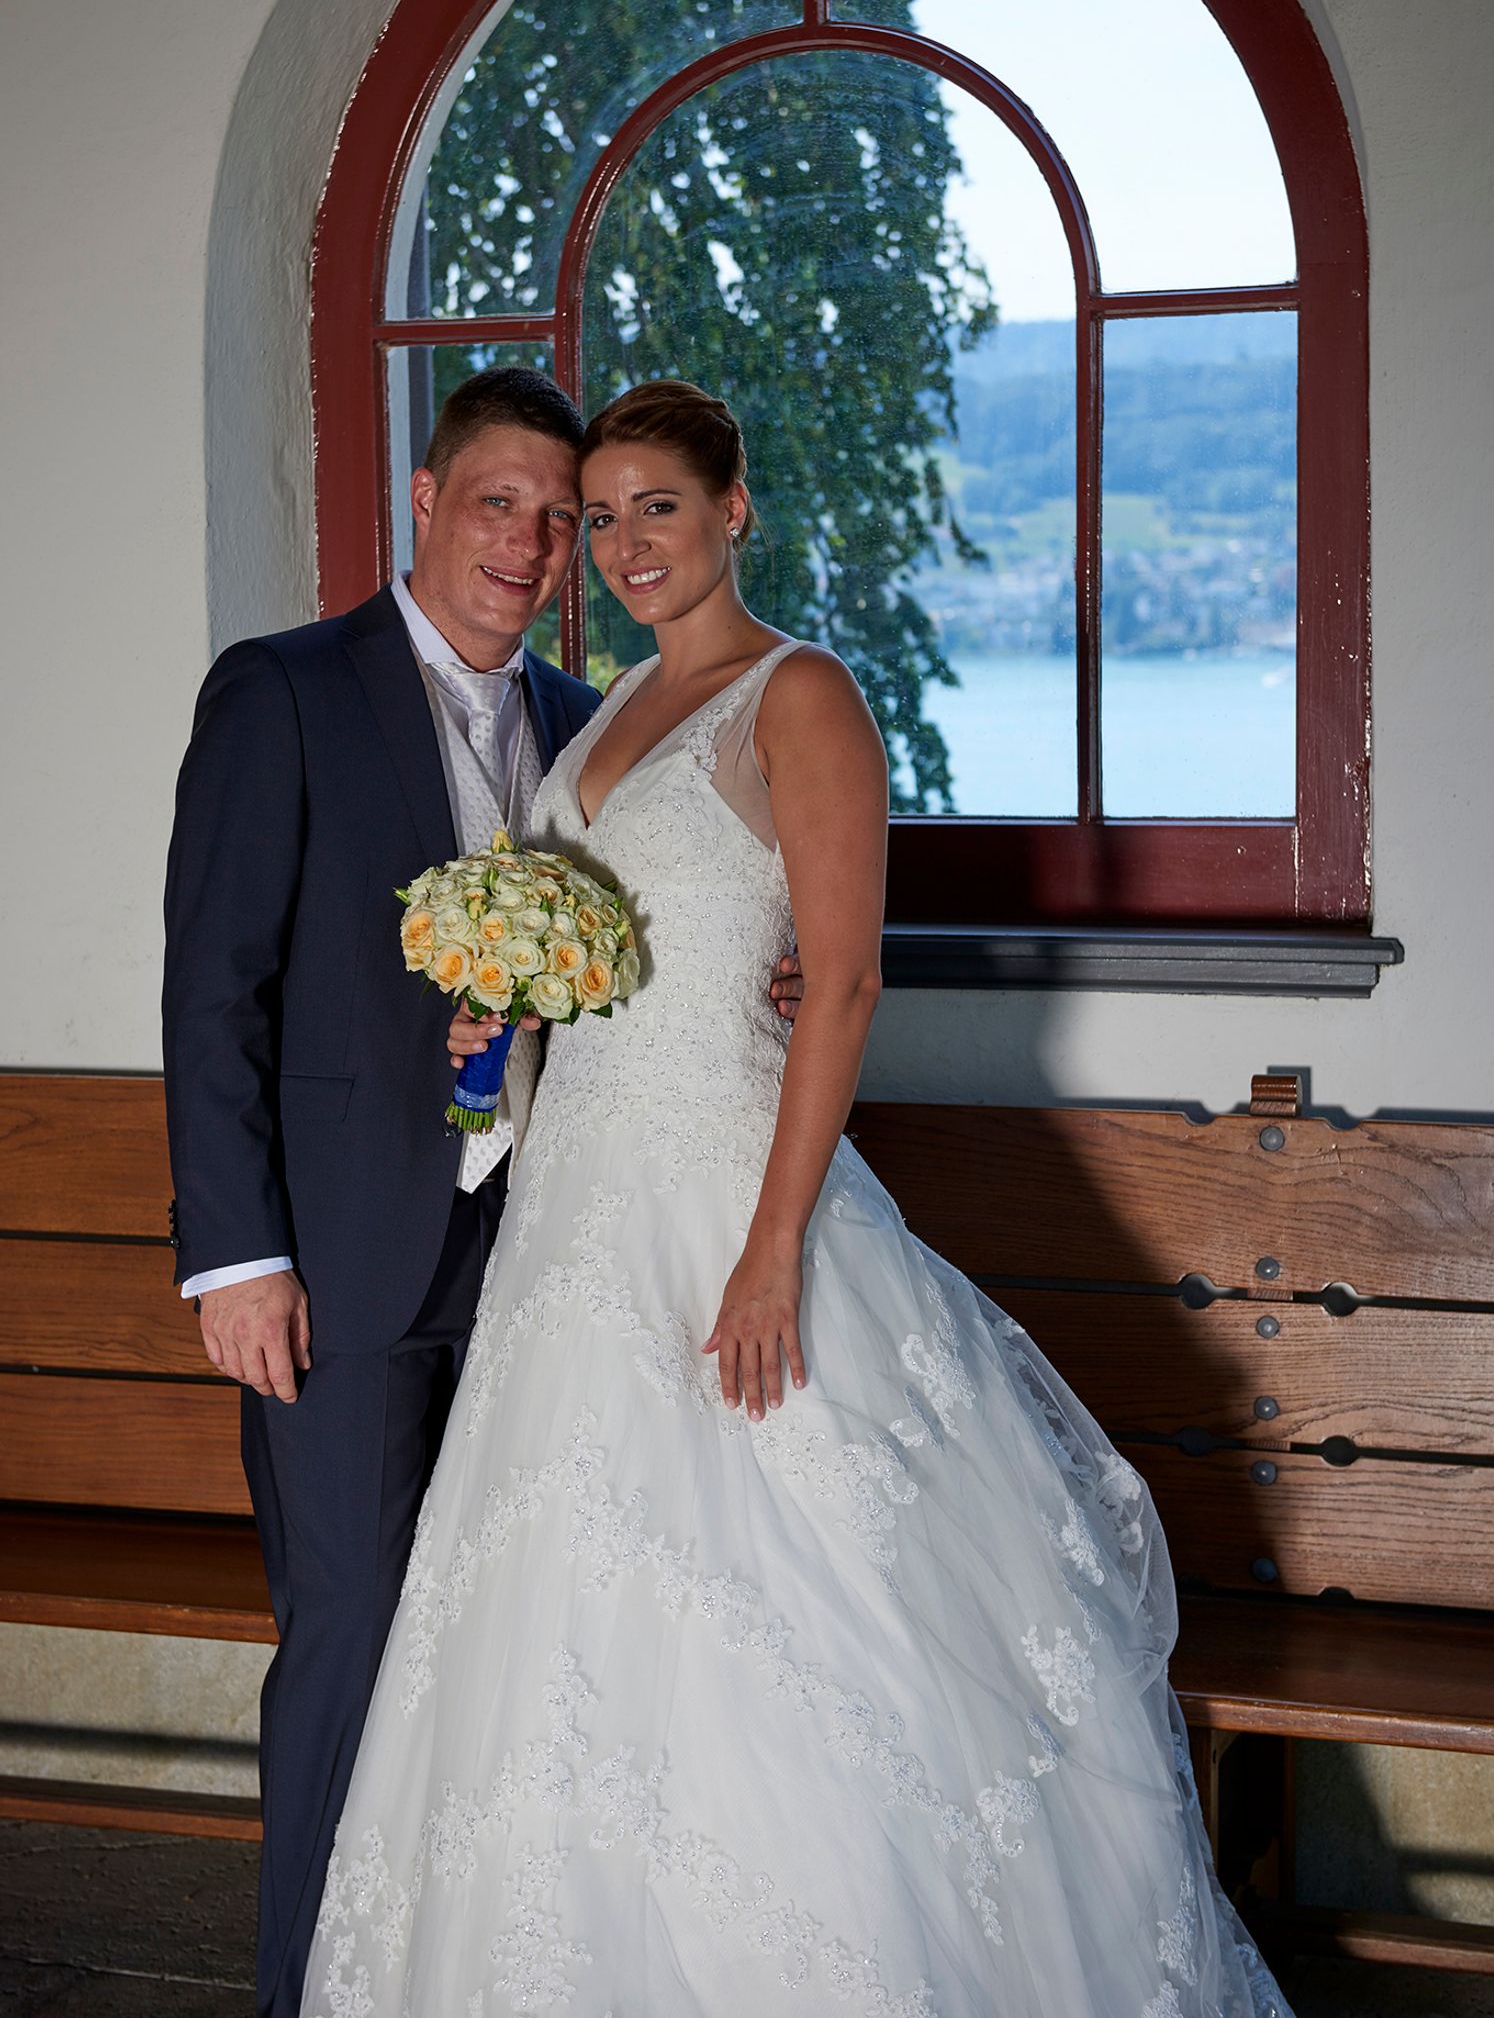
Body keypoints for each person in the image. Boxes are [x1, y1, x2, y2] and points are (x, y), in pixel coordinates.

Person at [299, 380, 1291, 2017]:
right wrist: (499, 1025)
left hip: (728, 1200)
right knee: (563, 1617)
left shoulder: (801, 693)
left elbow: (838, 983)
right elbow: (606, 963)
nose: (621, 544)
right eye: (598, 518)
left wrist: (770, 1257)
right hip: (573, 1211)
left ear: (733, 509)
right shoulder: (605, 706)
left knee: (784, 1609)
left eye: (656, 508)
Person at [162, 365, 803, 2018]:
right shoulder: (284, 689)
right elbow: (214, 987)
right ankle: (303, 1993)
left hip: (544, 1260)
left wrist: (772, 970)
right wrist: (236, 1258)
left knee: (507, 1652)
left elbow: (668, 934)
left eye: (559, 518)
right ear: (425, 501)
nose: (528, 543)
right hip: (343, 1265)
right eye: (499, 504)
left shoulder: (596, 722)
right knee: (352, 1632)